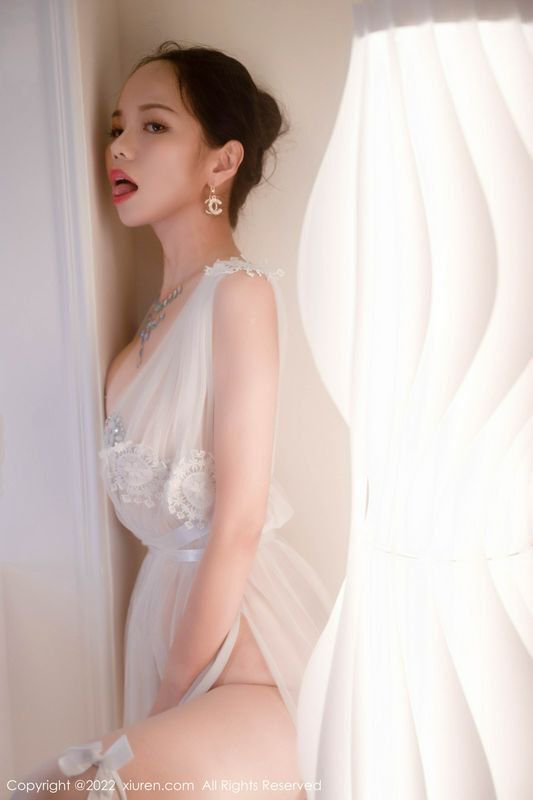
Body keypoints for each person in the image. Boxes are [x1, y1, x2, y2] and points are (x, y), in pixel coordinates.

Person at [11, 42, 332, 800]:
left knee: (69, 787)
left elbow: (238, 523)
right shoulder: (141, 336)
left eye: (153, 126)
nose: (119, 146)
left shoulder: (239, 294)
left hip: (247, 673)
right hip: (171, 659)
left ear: (222, 162)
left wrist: (167, 700)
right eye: (117, 127)